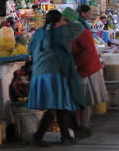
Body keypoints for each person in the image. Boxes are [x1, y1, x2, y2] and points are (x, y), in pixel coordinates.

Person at [28, 9, 85, 146]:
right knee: (55, 106)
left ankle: (65, 137)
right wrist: (67, 20)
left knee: (58, 105)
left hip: (39, 74)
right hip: (55, 73)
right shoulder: (62, 32)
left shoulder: (39, 32)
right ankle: (38, 138)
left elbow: (30, 50)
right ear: (59, 20)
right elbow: (79, 27)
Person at [72, 15, 109, 137]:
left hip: (86, 69)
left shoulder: (83, 33)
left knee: (85, 99)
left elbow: (88, 52)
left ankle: (84, 126)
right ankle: (80, 125)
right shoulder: (70, 33)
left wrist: (76, 64)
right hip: (80, 69)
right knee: (81, 99)